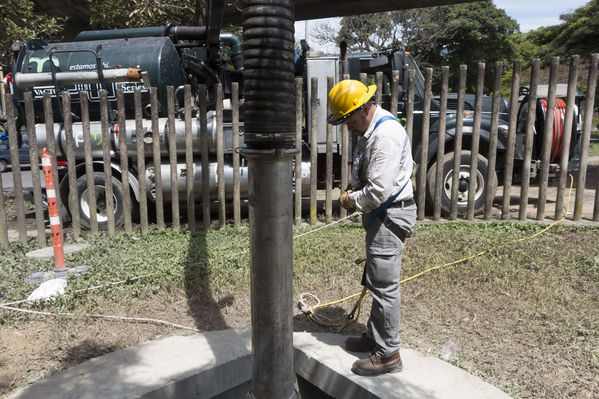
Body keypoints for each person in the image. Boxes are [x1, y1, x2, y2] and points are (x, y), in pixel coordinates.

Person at [327, 79, 416, 376]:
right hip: (382, 215)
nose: (347, 127)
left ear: (363, 108)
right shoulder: (371, 130)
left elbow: (378, 191)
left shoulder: (385, 136)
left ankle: (388, 353)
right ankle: (375, 337)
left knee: (385, 287)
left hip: (389, 215)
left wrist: (351, 200)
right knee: (376, 280)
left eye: (348, 119)